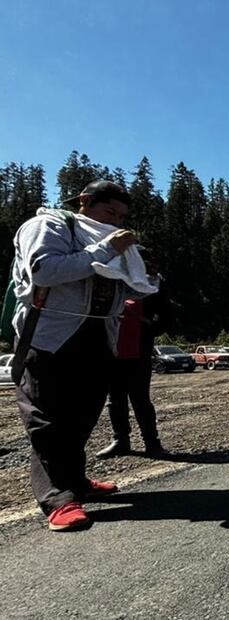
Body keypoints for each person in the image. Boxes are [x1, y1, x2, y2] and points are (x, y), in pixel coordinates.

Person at [12, 179, 147, 532]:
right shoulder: (50, 225)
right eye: (109, 212)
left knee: (83, 413)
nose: (115, 221)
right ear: (85, 202)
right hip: (51, 336)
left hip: (98, 335)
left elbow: (124, 287)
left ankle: (76, 481)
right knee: (47, 419)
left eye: (120, 216)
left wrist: (142, 274)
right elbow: (44, 270)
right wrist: (106, 249)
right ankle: (57, 497)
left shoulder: (108, 240)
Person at [96, 262, 174, 459]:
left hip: (139, 349)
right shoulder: (110, 273)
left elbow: (167, 313)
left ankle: (152, 443)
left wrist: (151, 329)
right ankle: (120, 441)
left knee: (141, 400)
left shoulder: (153, 281)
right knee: (114, 400)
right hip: (111, 348)